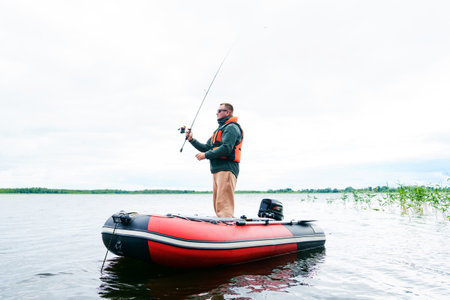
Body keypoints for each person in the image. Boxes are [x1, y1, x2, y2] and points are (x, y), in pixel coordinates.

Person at [186, 103, 243, 218]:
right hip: (217, 170)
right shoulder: (220, 130)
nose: (216, 113)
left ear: (228, 113)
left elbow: (227, 148)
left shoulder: (232, 127)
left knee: (224, 204)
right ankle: (221, 226)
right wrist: (191, 140)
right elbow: (206, 147)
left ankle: (227, 226)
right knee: (218, 204)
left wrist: (205, 155)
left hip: (227, 169)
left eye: (219, 110)